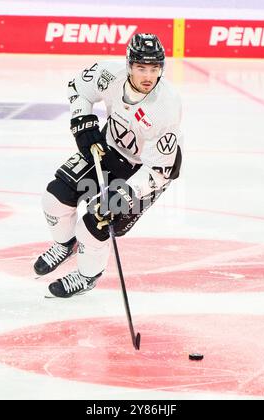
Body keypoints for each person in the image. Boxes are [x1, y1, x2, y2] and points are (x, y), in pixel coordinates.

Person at [34, 33, 183, 298]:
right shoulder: (108, 73)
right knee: (54, 198)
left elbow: (161, 171)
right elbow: (78, 87)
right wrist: (83, 120)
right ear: (129, 66)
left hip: (142, 172)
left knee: (95, 225)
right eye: (141, 68)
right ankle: (64, 244)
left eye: (154, 68)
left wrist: (126, 193)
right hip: (107, 149)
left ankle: (86, 276)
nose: (148, 76)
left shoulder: (166, 106)